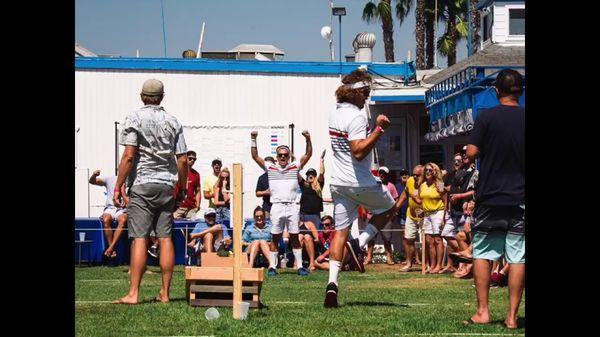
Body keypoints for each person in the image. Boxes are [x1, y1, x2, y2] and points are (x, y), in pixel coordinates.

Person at [324, 69, 404, 307]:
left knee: (340, 233)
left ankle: (332, 285)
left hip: (338, 183)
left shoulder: (334, 112)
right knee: (391, 208)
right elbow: (358, 151)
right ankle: (360, 244)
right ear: (354, 93)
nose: (367, 98)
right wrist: (379, 130)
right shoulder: (357, 117)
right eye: (365, 93)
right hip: (358, 182)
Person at [113, 78, 188, 304]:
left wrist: (118, 185)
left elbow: (129, 155)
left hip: (142, 183)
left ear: (142, 96)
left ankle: (133, 294)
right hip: (166, 184)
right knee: (165, 238)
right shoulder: (173, 121)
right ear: (162, 97)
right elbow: (182, 159)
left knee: (139, 238)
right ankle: (165, 293)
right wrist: (182, 188)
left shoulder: (134, 117)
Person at [464, 69, 525, 329]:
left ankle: (483, 312)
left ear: (497, 90)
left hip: (490, 196)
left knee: (483, 253)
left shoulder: (486, 117)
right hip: (521, 196)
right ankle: (512, 317)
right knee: (518, 257)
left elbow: (472, 151)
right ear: (520, 91)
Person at [250, 129, 313, 276]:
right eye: (280, 155)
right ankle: (272, 266)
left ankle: (298, 267)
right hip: (277, 206)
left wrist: (308, 139)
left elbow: (308, 154)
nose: (283, 157)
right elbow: (255, 156)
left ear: (289, 156)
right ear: (276, 157)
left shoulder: (295, 166)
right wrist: (253, 138)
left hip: (292, 205)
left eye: (285, 155)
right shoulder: (271, 167)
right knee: (275, 236)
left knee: (294, 236)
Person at [415, 162, 455, 274]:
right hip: (427, 214)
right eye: (426, 170)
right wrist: (412, 195)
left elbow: (445, 200)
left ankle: (439, 265)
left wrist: (443, 217)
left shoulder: (440, 183)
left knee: (437, 239)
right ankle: (432, 265)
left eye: (430, 170)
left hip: (438, 212)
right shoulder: (422, 185)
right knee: (429, 240)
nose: (428, 172)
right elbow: (419, 199)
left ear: (435, 172)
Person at [88, 170, 128, 259]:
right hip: (110, 208)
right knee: (106, 220)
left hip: (123, 209)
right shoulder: (110, 178)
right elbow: (92, 181)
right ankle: (112, 248)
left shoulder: (133, 180)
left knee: (123, 220)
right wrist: (94, 175)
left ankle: (110, 247)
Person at [298, 149, 327, 271]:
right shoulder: (303, 185)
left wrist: (321, 160)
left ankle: (314, 259)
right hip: (303, 215)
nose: (310, 176)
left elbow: (321, 173)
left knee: (316, 237)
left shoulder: (319, 185)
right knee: (303, 236)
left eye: (312, 175)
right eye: (308, 175)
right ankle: (300, 260)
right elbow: (297, 173)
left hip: (314, 215)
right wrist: (298, 162)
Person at [364, 166, 399, 265]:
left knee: (387, 238)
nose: (382, 175)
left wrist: (392, 215)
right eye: (380, 173)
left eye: (384, 173)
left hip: (386, 218)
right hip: (372, 216)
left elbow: (396, 200)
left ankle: (389, 258)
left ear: (387, 175)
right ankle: (369, 257)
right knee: (370, 238)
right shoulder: (372, 185)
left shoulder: (391, 186)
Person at [398, 165, 424, 272]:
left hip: (425, 215)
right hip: (411, 214)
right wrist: (396, 207)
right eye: (413, 174)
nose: (415, 177)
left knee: (427, 241)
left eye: (418, 175)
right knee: (408, 239)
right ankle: (409, 263)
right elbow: (404, 194)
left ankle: (427, 264)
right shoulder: (410, 181)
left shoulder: (428, 183)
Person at [173, 150, 201, 220]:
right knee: (176, 226)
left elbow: (198, 191)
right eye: (190, 158)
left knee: (191, 227)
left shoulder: (196, 174)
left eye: (194, 159)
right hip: (179, 206)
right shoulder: (176, 172)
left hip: (191, 207)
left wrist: (197, 206)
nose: (192, 160)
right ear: (186, 158)